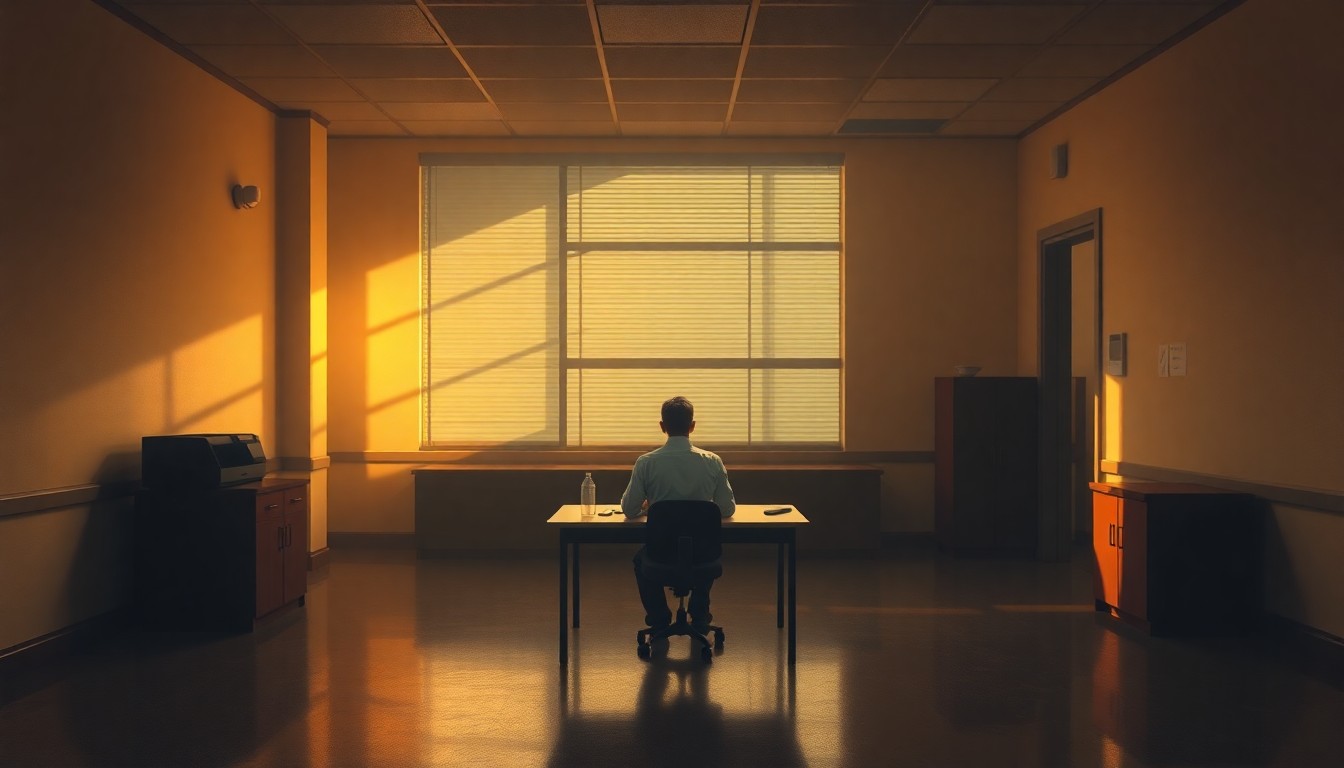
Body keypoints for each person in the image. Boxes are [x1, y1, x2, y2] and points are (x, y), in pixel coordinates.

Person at [621, 396, 736, 633]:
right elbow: (727, 509)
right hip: (702, 551)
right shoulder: (712, 462)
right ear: (692, 426)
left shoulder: (646, 463)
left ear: (662, 426)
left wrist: (647, 507)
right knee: (705, 553)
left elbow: (629, 509)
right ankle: (700, 614)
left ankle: (659, 617)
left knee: (640, 560)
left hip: (660, 550)